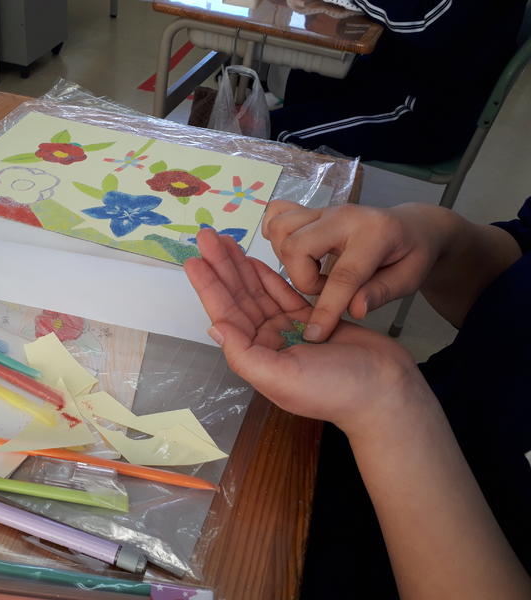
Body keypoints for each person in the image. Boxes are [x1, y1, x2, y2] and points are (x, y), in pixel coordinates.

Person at [184, 197, 531, 599]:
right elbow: (516, 275)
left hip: (368, 555)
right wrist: (439, 236)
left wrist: (389, 411)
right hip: (363, 437)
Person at [269, 1, 527, 162]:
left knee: (272, 132)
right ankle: (308, 190)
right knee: (307, 78)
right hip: (396, 74)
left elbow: (421, 19)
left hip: (425, 115)